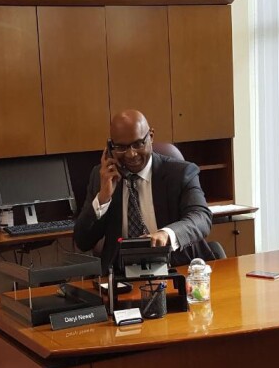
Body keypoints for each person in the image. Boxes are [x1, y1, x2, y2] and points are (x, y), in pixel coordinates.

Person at [74, 109, 213, 272]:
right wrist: (103, 199)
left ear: (151, 136)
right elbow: (83, 242)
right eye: (121, 147)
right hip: (122, 276)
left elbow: (201, 217)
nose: (131, 154)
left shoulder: (181, 173)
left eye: (138, 144)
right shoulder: (102, 177)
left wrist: (166, 234)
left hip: (176, 269)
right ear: (110, 146)